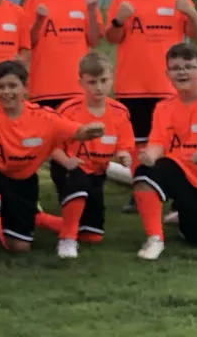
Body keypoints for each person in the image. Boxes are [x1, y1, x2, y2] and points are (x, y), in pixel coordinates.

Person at [0, 61, 105, 260]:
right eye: (0, 87)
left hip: (23, 179)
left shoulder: (44, 117)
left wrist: (92, 130)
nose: (6, 92)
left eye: (12, 86)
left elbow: (77, 132)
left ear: (25, 88)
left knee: (20, 247)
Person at [131, 43, 197, 261]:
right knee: (144, 174)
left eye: (188, 66)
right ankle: (154, 239)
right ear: (167, 73)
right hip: (180, 169)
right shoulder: (164, 107)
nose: (182, 72)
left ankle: (186, 214)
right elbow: (158, 142)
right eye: (175, 67)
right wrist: (150, 155)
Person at [105, 0, 197, 155]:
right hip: (131, 85)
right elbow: (112, 38)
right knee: (136, 143)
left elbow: (195, 32)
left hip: (168, 85)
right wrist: (118, 21)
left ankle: (166, 180)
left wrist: (191, 13)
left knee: (168, 139)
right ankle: (140, 182)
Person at [48, 53, 136, 256]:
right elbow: (51, 145)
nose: (98, 87)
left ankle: (40, 219)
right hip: (69, 167)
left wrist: (124, 156)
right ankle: (67, 239)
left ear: (111, 79)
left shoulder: (119, 112)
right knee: (78, 183)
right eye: (92, 82)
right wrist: (66, 161)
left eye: (103, 81)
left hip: (97, 173)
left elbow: (124, 145)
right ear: (81, 82)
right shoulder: (68, 110)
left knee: (93, 236)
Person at [23, 0, 102, 109]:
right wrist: (38, 21)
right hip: (44, 87)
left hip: (78, 88)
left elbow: (93, 41)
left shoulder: (85, 0)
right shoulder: (35, 0)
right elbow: (27, 43)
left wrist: (92, 12)